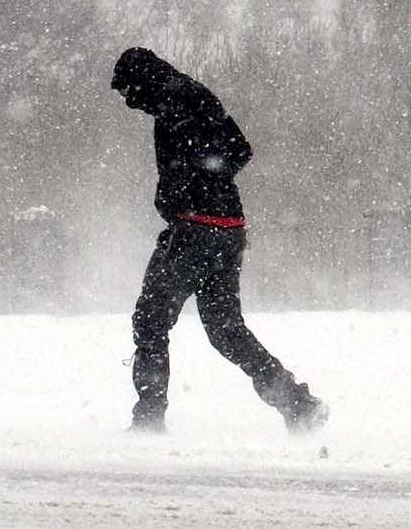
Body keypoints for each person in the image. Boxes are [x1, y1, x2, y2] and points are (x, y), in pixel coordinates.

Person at [111, 45, 325, 435]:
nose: (129, 102)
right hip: (227, 228)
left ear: (143, 80)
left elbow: (216, 158)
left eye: (128, 92)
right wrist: (209, 178)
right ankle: (297, 404)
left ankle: (148, 419)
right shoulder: (193, 96)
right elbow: (240, 151)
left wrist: (187, 189)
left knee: (150, 320)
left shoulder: (176, 102)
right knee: (227, 330)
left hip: (194, 231)